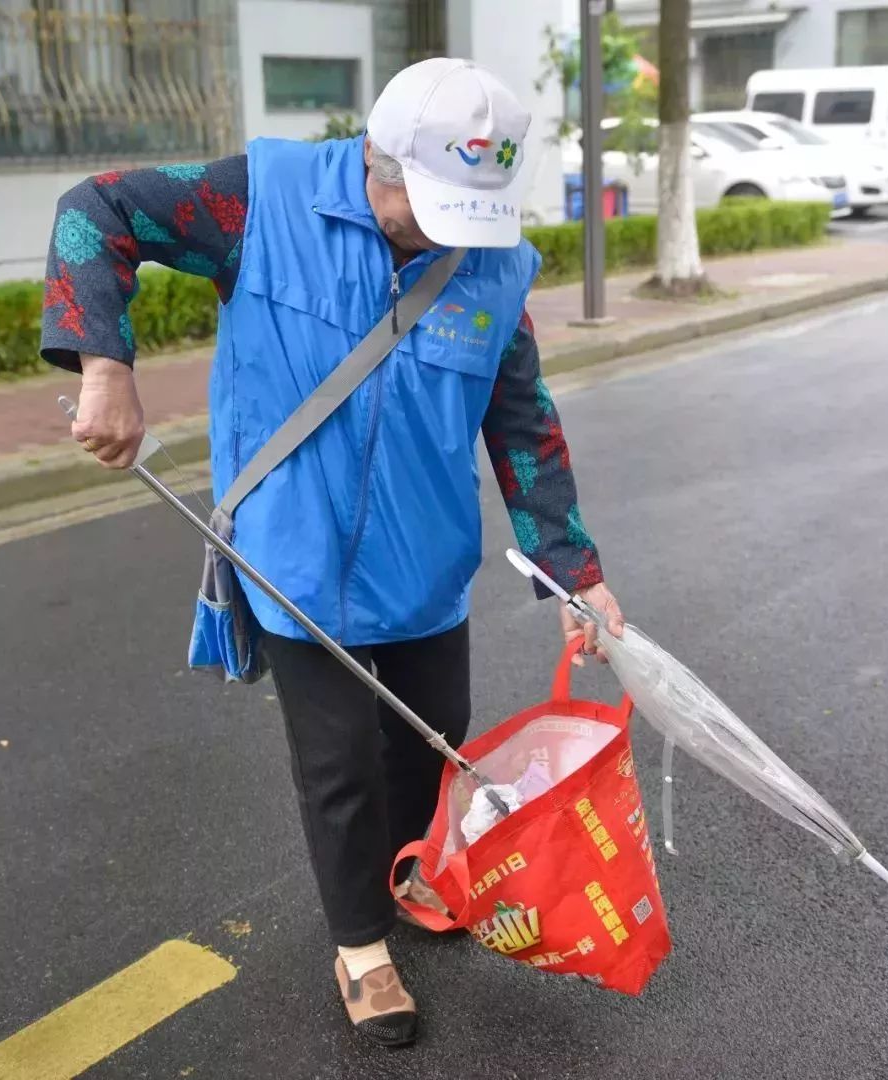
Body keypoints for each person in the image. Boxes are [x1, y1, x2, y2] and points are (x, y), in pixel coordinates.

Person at [41, 57, 623, 1046]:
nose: (447, 235)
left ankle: (401, 872)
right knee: (340, 758)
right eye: (429, 208)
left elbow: (522, 422)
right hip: (297, 563)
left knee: (433, 736)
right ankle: (361, 946)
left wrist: (576, 574)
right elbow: (93, 212)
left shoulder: (491, 263)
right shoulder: (260, 202)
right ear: (375, 160)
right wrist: (105, 364)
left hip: (428, 566)